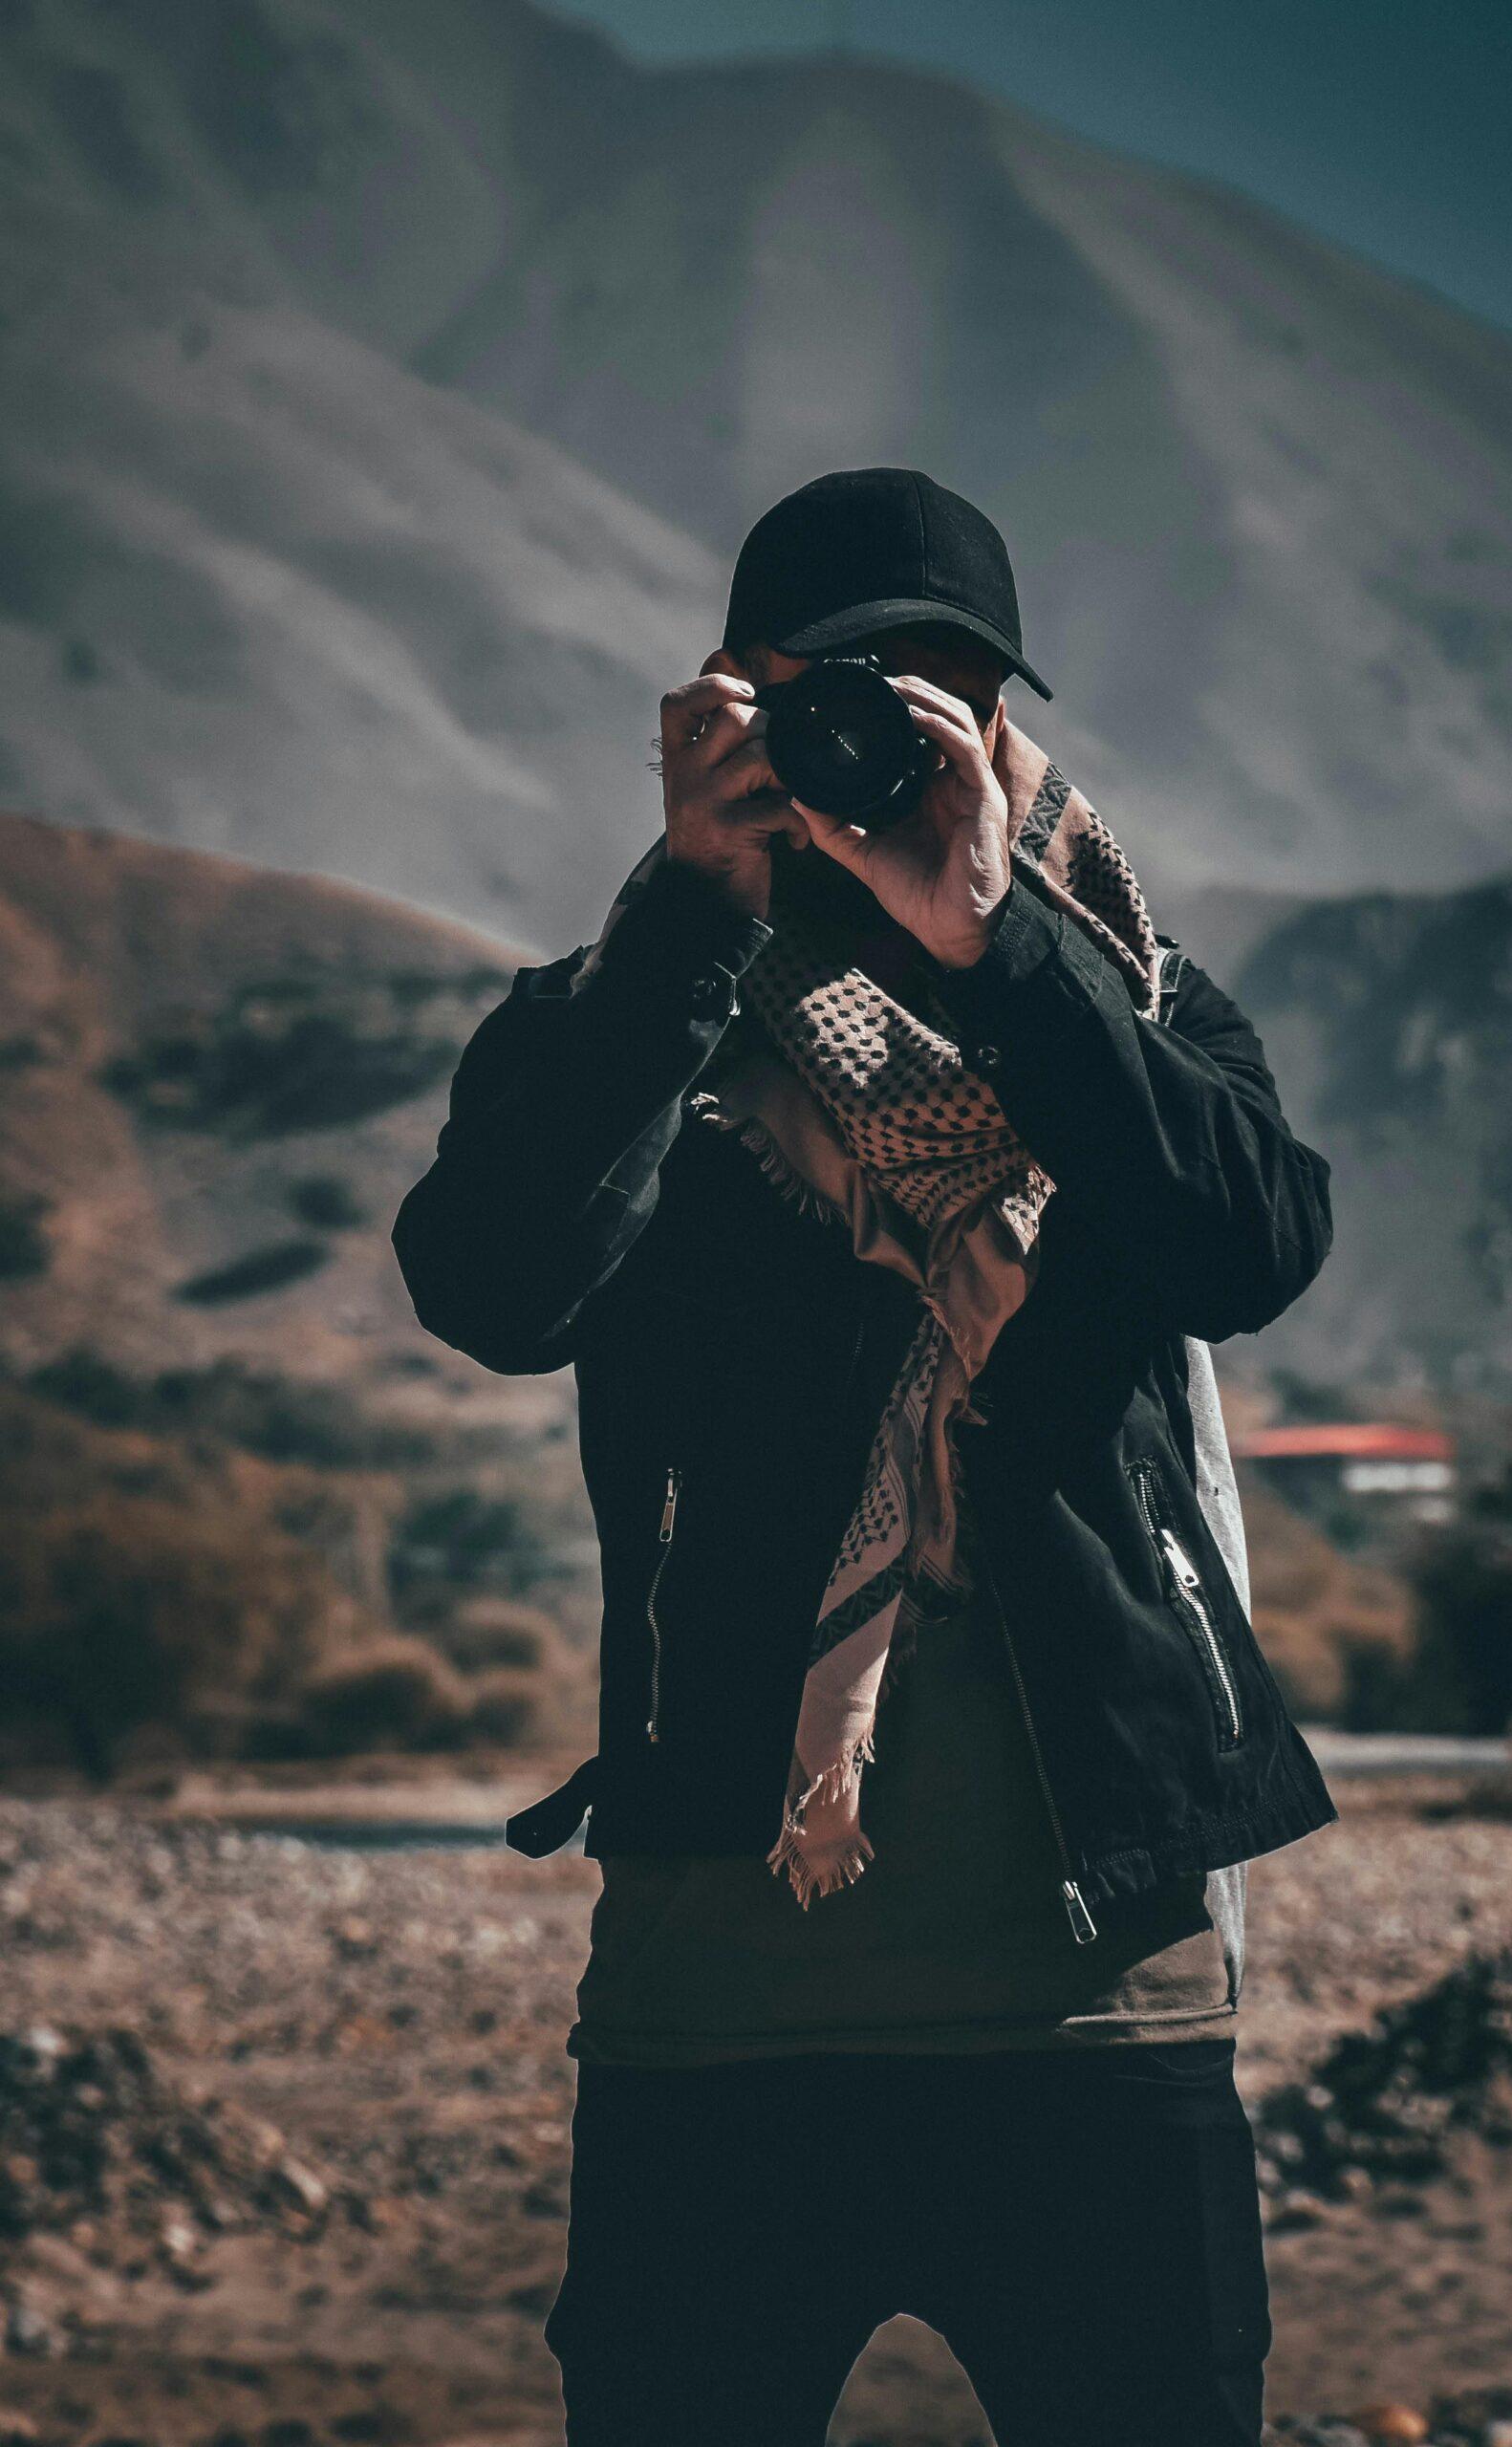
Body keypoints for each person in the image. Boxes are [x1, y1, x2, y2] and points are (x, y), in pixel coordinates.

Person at [392, 466, 1338, 2446]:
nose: (879, 740)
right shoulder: (625, 1021)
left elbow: (1245, 1243)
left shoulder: (1124, 1001)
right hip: (715, 2004)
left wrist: (1001, 939)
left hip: (1096, 2002)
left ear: (1002, 732)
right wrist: (687, 918)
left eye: (937, 699)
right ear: (724, 702)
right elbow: (491, 1282)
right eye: (830, 692)